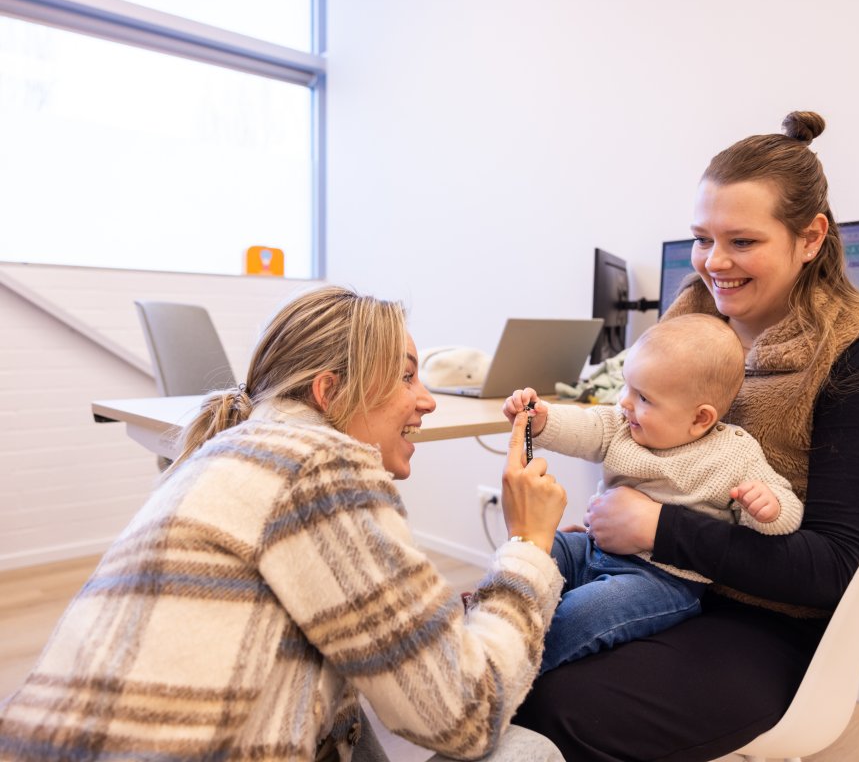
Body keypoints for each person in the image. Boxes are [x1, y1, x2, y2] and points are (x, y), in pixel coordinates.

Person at [512, 111, 859, 761]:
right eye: (701, 238)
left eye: (741, 241)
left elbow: (835, 570)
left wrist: (658, 528)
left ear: (810, 238)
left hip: (768, 624)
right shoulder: (690, 321)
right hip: (646, 570)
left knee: (553, 702)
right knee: (505, 626)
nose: (714, 263)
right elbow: (624, 432)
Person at [0, 286, 569, 762]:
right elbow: (469, 716)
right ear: (329, 391)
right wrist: (528, 545)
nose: (428, 401)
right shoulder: (320, 463)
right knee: (529, 752)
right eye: (405, 377)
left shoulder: (231, 451)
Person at [503, 313, 803, 673]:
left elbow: (787, 510)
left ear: (700, 419)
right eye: (627, 387)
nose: (625, 402)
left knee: (581, 613)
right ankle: (493, 623)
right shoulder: (622, 424)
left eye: (642, 396)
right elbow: (585, 427)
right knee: (533, 551)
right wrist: (542, 421)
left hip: (661, 581)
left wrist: (767, 507)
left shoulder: (735, 455)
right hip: (593, 549)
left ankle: (512, 669)